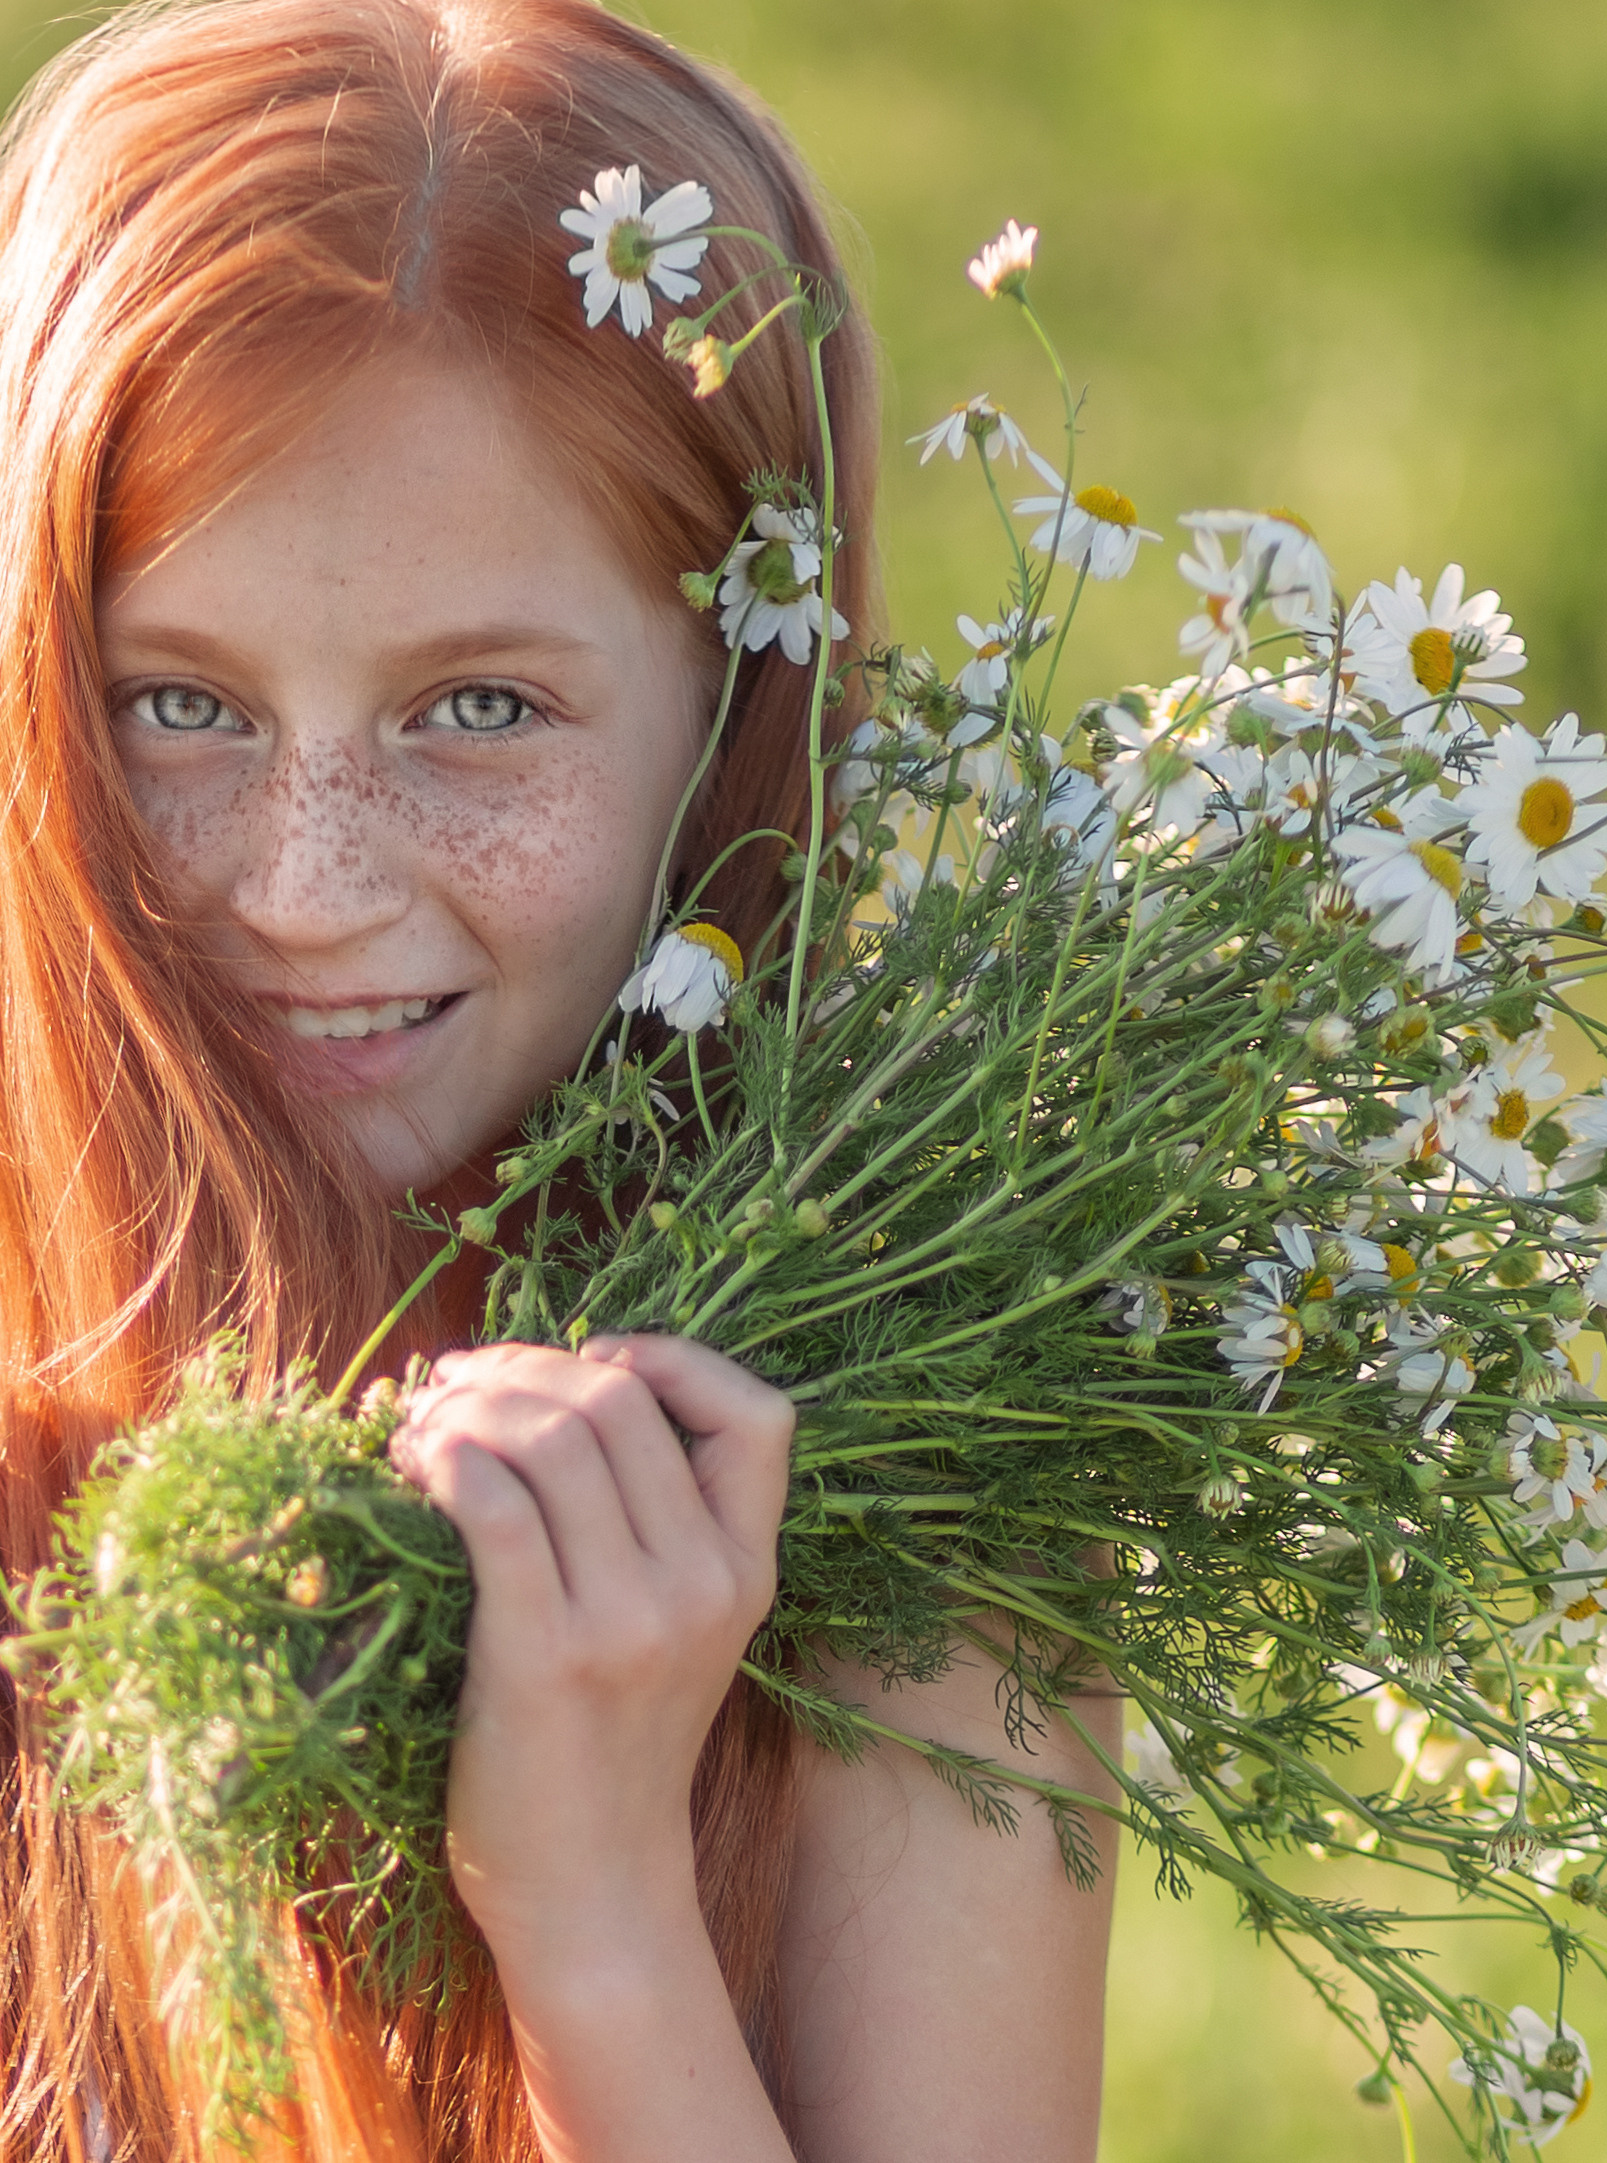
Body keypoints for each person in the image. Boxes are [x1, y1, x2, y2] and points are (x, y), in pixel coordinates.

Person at [0, 2, 1120, 2156]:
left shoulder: (898, 1551)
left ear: (734, 718)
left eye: (481, 706)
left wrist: (593, 1917)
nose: (307, 890)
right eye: (176, 704)